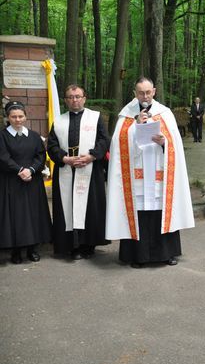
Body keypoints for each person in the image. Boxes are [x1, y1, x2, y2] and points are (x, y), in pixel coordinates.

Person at [106, 77, 194, 268]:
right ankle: (138, 256)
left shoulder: (165, 113)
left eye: (148, 92)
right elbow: (118, 145)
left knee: (161, 213)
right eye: (140, 93)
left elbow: (175, 145)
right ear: (135, 93)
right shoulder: (127, 115)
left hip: (159, 176)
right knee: (140, 214)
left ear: (154, 91)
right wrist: (135, 127)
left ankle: (167, 254)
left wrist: (164, 143)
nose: (144, 96)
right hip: (136, 176)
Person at [47, 85, 110, 260]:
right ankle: (70, 245)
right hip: (67, 169)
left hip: (89, 169)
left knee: (90, 207)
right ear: (65, 100)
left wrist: (91, 156)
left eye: (77, 96)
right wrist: (64, 158)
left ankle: (88, 245)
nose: (74, 100)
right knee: (68, 206)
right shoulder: (59, 120)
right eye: (70, 97)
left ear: (84, 98)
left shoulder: (95, 117)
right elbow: (51, 145)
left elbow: (104, 140)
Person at [0, 101, 50, 263]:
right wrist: (20, 170)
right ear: (8, 117)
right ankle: (16, 250)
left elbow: (40, 156)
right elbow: (3, 157)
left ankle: (32, 249)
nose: (18, 120)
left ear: (26, 116)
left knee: (33, 215)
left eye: (21, 116)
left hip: (32, 181)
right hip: (12, 181)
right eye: (14, 117)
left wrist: (32, 170)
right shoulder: (2, 136)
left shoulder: (34, 136)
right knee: (15, 216)